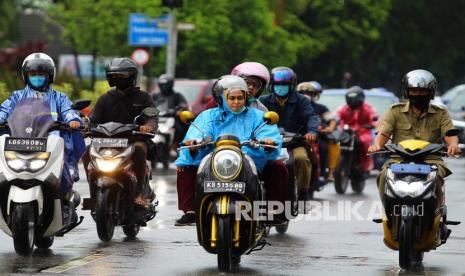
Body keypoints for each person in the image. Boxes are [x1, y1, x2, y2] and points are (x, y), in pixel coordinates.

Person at [174, 75, 284, 226]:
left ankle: (274, 212)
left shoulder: (259, 116)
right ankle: (191, 211)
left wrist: (268, 141)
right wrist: (193, 143)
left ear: (246, 98)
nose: (236, 102)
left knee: (278, 167)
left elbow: (268, 134)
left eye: (240, 98)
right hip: (215, 160)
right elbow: (197, 133)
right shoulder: (208, 116)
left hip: (250, 159)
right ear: (222, 98)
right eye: (232, 98)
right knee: (184, 167)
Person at [0, 52, 84, 221]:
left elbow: (69, 112)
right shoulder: (16, 97)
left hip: (50, 144)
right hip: (19, 142)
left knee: (63, 173)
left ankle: (65, 204)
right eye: (33, 74)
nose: (37, 77)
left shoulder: (59, 97)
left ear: (49, 76)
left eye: (41, 74)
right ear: (26, 76)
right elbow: (4, 110)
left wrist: (73, 120)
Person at [368, 69, 461, 206]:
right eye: (414, 91)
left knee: (438, 179)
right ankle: (387, 210)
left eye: (423, 91)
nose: (418, 94)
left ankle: (438, 210)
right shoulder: (395, 111)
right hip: (399, 159)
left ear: (430, 92)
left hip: (431, 159)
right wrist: (378, 145)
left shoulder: (441, 113)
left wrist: (453, 145)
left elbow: (449, 134)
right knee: (383, 176)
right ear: (407, 91)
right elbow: (384, 131)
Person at [83, 57, 158, 206]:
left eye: (122, 76)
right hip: (105, 142)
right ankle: (94, 192)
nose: (118, 79)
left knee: (139, 149)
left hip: (133, 140)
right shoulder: (106, 98)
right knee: (86, 151)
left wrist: (148, 126)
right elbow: (93, 118)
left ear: (132, 77)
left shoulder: (143, 97)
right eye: (114, 76)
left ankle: (138, 193)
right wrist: (85, 126)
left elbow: (152, 118)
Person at [260, 67, 319, 200]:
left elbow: (311, 116)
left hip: (295, 143)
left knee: (302, 159)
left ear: (292, 86)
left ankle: (303, 192)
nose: (281, 88)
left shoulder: (302, 100)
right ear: (271, 86)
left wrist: (311, 131)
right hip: (271, 143)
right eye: (278, 85)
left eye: (284, 85)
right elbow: (256, 119)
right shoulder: (263, 101)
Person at [296, 81, 340, 182]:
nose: (306, 95)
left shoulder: (321, 108)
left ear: (314, 95)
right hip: (297, 136)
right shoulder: (293, 106)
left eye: (309, 93)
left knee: (323, 148)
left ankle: (323, 173)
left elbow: (332, 119)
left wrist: (330, 128)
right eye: (302, 93)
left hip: (316, 137)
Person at [336, 86, 377, 176]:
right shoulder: (343, 108)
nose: (353, 101)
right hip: (346, 133)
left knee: (365, 144)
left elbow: (375, 117)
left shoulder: (368, 108)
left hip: (363, 133)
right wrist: (333, 121)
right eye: (351, 99)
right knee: (334, 143)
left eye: (355, 99)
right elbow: (336, 116)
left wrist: (374, 123)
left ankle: (366, 167)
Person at [152, 73, 189, 149]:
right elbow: (149, 105)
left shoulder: (177, 95)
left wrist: (179, 110)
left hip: (171, 118)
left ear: (171, 85)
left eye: (166, 85)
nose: (164, 87)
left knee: (180, 127)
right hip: (158, 118)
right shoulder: (155, 95)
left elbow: (183, 105)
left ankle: (176, 145)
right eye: (162, 85)